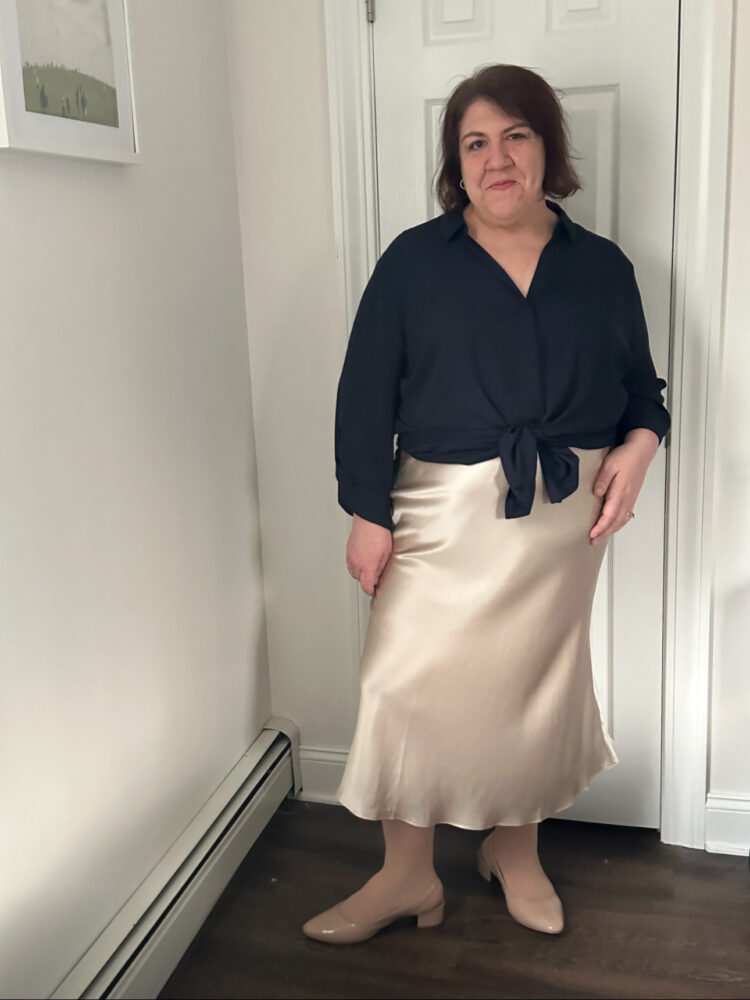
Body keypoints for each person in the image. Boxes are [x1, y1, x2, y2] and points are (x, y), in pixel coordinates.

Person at [303, 63, 670, 944]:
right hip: (435, 509)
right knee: (401, 684)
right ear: (455, 164)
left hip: (559, 520)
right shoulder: (413, 264)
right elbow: (365, 395)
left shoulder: (603, 267)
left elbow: (639, 390)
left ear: (548, 148)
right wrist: (367, 508)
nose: (496, 158)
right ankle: (405, 877)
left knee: (530, 692)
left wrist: (642, 443)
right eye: (475, 142)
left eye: (515, 135)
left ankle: (516, 850)